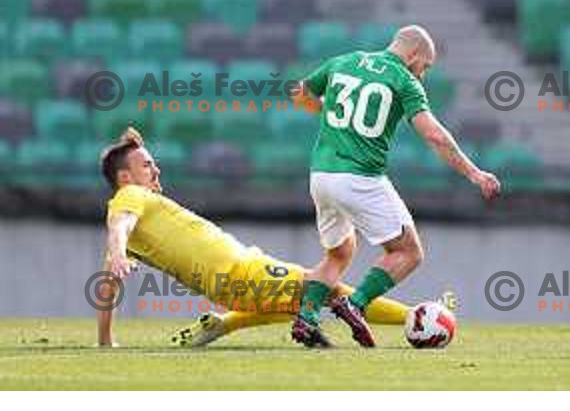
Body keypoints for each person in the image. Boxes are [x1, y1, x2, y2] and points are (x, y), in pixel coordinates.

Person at [96, 127, 452, 349]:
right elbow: (119, 224)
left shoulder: (137, 211)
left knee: (301, 301)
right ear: (125, 178)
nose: (156, 169)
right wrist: (115, 249)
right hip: (240, 271)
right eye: (146, 165)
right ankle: (420, 318)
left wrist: (104, 338)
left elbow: (108, 283)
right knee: (329, 291)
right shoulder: (130, 198)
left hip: (235, 277)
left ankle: (221, 323)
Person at [291, 24, 500, 348]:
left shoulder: (343, 61)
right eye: (425, 66)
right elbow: (433, 134)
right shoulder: (404, 81)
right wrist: (474, 173)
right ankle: (355, 304)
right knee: (408, 252)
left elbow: (299, 92)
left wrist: (327, 116)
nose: (423, 74)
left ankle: (306, 318)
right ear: (413, 54)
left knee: (339, 253)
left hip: (320, 176)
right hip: (360, 178)